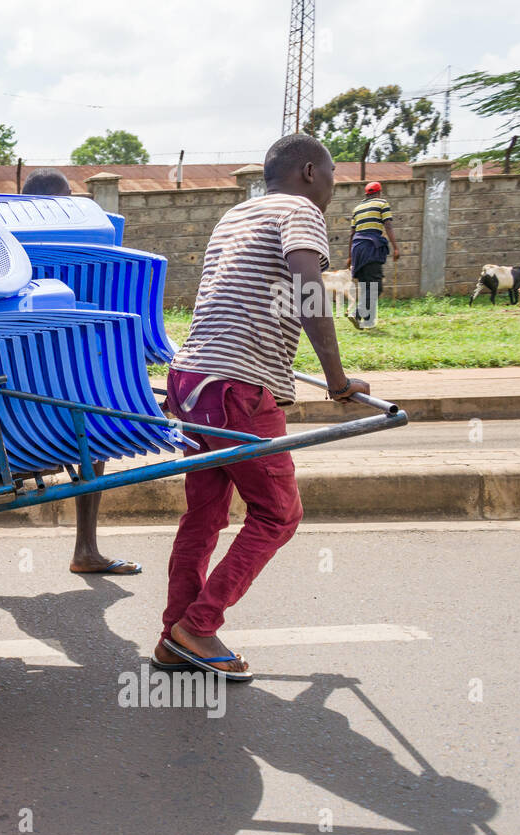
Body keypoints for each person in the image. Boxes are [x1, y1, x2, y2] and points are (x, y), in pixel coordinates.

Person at [153, 134, 369, 680]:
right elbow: (309, 287)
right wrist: (337, 380)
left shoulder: (235, 214)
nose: (331, 191)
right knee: (278, 513)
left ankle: (173, 637)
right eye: (332, 178)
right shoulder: (300, 210)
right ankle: (197, 627)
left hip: (190, 380)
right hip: (237, 390)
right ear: (307, 172)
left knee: (204, 516)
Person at [0, 167, 142, 585]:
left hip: (30, 372)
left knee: (79, 448)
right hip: (32, 377)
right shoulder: (44, 243)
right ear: (52, 206)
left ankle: (86, 550)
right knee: (13, 465)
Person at [347, 181, 399, 329]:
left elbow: (351, 234)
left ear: (366, 194)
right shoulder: (382, 203)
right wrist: (396, 248)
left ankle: (369, 322)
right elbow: (388, 225)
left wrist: (350, 257)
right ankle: (357, 313)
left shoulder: (357, 209)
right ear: (379, 192)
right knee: (376, 286)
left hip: (357, 249)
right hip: (371, 247)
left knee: (366, 286)